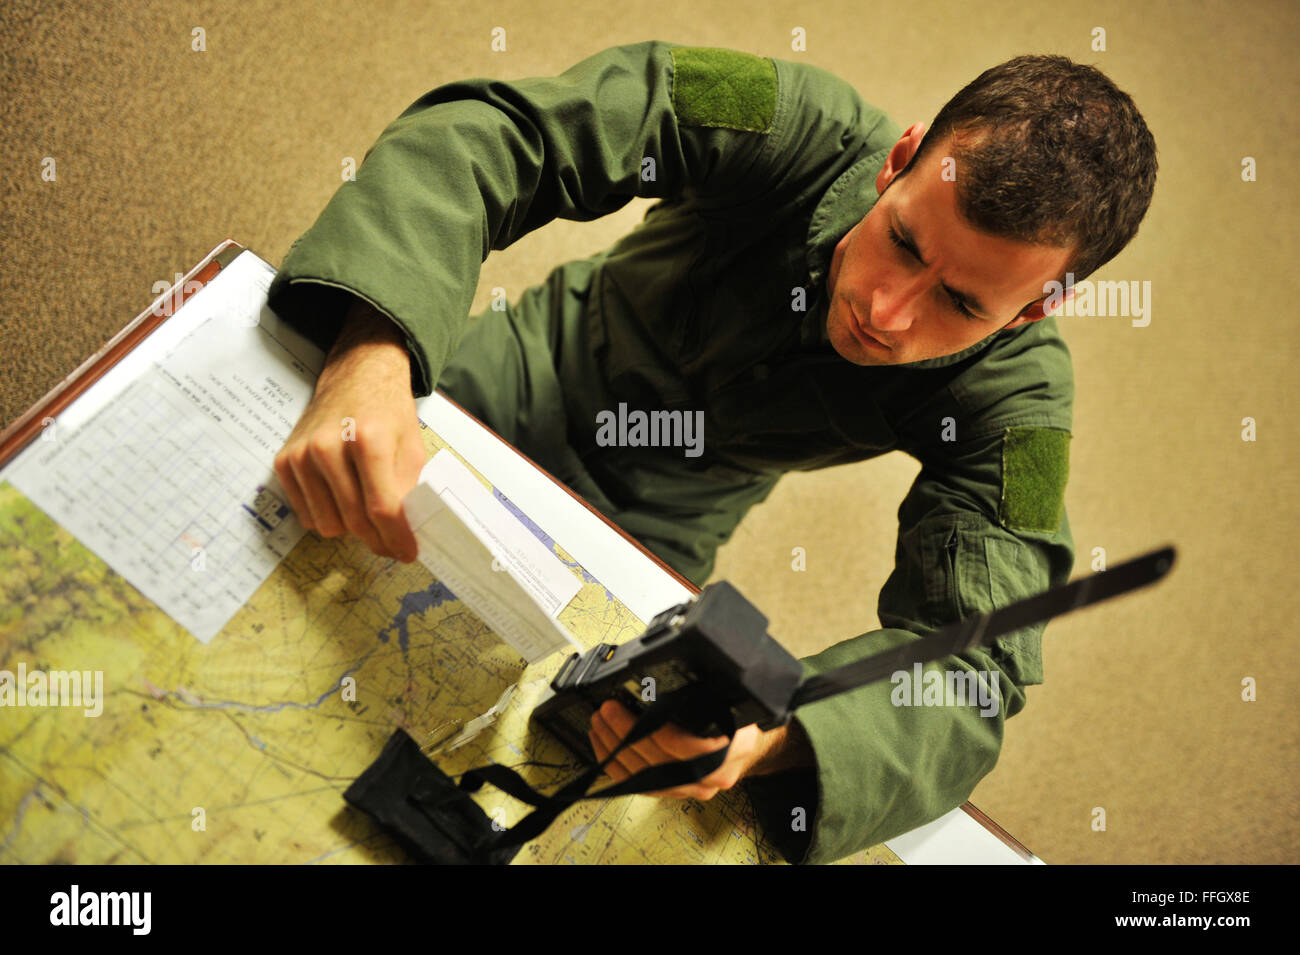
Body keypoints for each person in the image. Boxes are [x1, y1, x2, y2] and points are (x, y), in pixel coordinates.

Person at [267, 40, 1157, 864]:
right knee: (288, 506)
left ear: (1036, 309)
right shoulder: (785, 117)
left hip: (661, 525)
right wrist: (372, 348)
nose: (886, 313)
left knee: (578, 742)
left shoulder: (1023, 407)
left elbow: (978, 665)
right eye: (903, 241)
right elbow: (507, 129)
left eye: (961, 304)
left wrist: (783, 729)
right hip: (529, 368)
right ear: (900, 161)